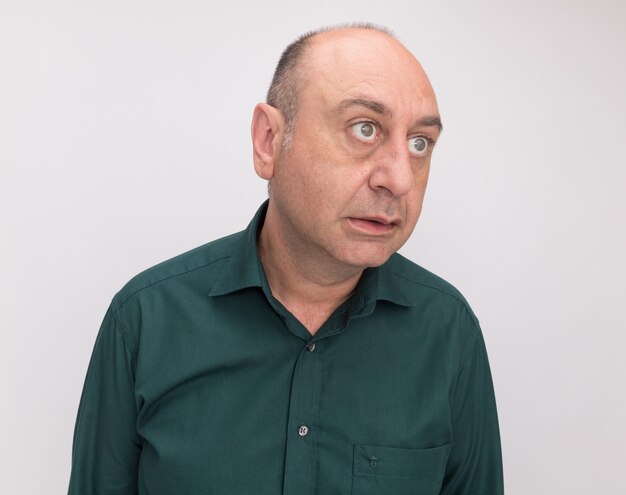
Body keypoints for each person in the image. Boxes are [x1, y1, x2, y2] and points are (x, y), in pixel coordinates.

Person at [68, 24, 503, 494]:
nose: (399, 178)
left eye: (420, 143)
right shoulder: (145, 321)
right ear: (269, 141)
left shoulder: (448, 331)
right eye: (364, 129)